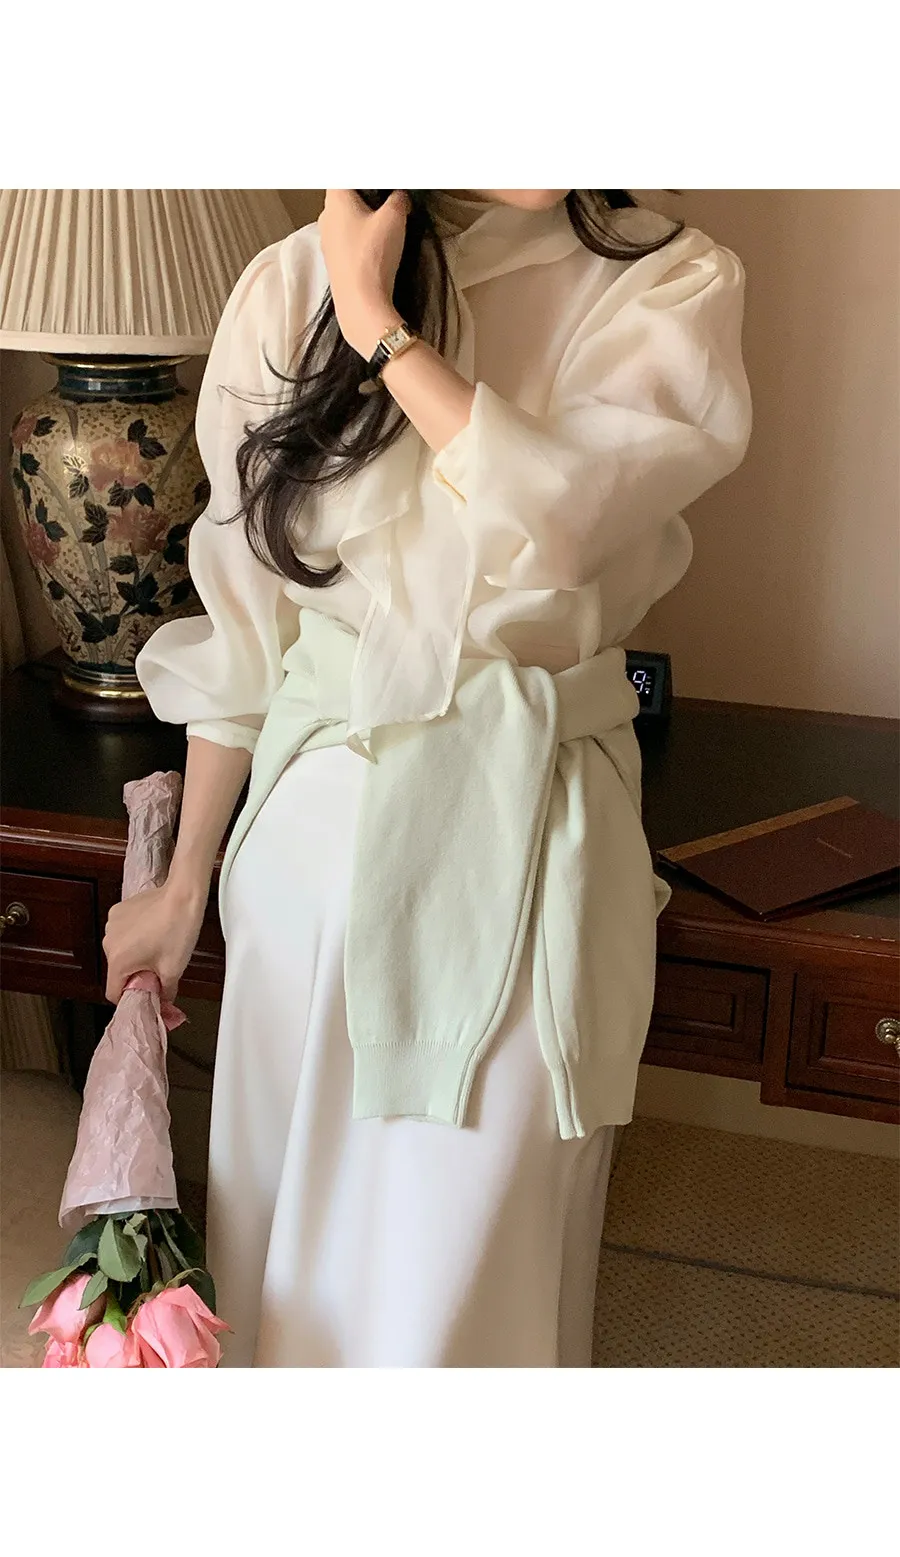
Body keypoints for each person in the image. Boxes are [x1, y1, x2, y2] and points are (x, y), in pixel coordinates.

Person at [103, 189, 752, 1367]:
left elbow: (560, 523)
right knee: (290, 1271)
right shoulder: (290, 281)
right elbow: (246, 633)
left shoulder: (671, 283)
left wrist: (378, 326)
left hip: (535, 838)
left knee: (468, 1288)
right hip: (318, 846)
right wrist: (184, 882)